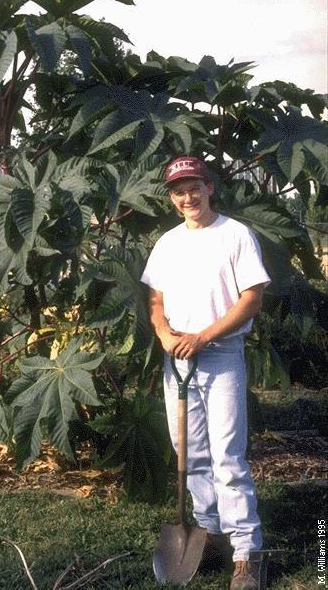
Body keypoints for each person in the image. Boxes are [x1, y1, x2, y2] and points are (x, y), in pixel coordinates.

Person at [140, 156, 271, 590]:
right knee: (189, 451)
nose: (187, 197)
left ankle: (247, 552)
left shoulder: (235, 235)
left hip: (219, 353)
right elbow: (156, 301)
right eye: (179, 191)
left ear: (210, 187)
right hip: (176, 356)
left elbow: (250, 299)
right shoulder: (168, 243)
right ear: (172, 197)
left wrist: (203, 337)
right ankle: (208, 531)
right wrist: (162, 333)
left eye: (194, 187)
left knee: (227, 455)